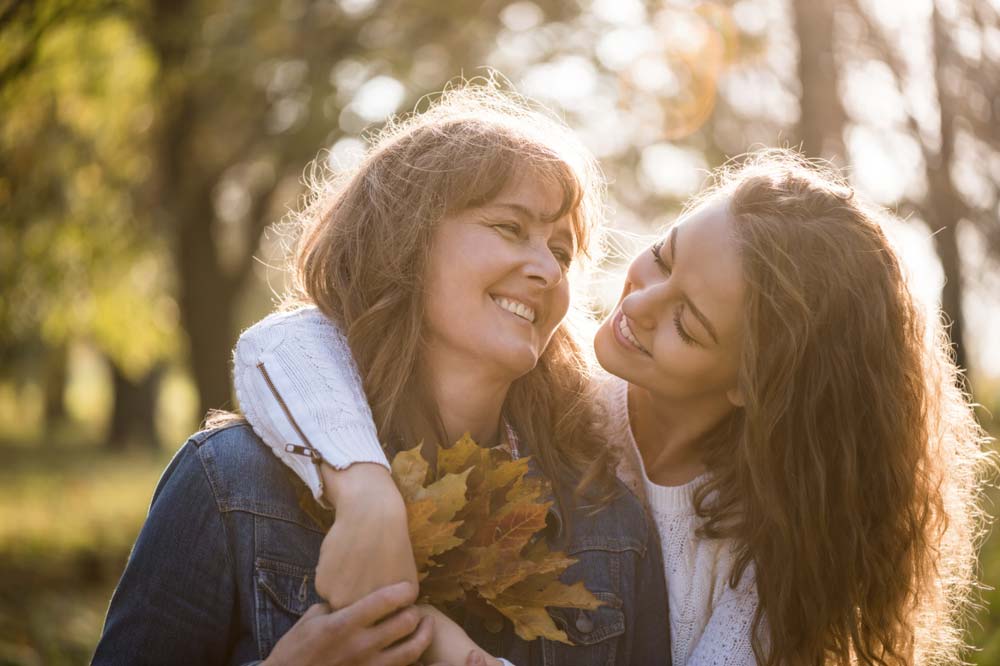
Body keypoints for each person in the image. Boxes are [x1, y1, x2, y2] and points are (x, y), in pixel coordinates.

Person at [235, 150, 992, 665]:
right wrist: (365, 493)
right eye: (662, 256)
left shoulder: (773, 550)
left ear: (753, 386)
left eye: (689, 322)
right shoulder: (549, 401)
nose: (640, 303)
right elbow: (290, 342)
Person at [93, 82, 670, 666]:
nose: (547, 269)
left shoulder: (608, 526)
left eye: (563, 253)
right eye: (508, 228)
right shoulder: (230, 483)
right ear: (404, 241)